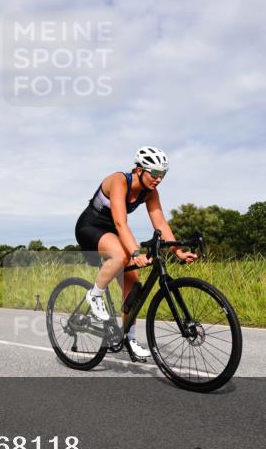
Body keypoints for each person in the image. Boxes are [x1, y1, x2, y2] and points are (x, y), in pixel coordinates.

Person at [74, 146, 197, 361]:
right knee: (121, 256)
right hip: (90, 227)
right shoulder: (119, 180)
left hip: (112, 231)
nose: (159, 179)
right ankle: (94, 294)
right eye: (155, 173)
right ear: (139, 170)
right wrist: (134, 252)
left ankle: (127, 338)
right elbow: (121, 223)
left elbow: (160, 222)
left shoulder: (150, 192)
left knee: (133, 286)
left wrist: (178, 251)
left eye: (163, 175)